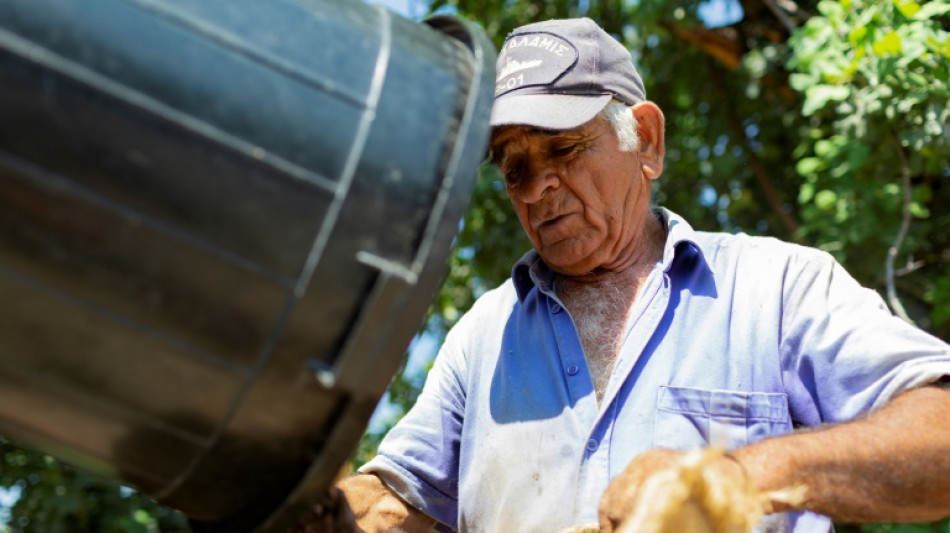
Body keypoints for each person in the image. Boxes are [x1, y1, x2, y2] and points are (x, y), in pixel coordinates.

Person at [300, 17, 950, 533]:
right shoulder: (482, 337)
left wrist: (739, 477)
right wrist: (327, 507)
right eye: (513, 165)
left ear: (647, 139)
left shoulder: (773, 287)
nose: (536, 187)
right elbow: (397, 503)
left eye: (563, 147)